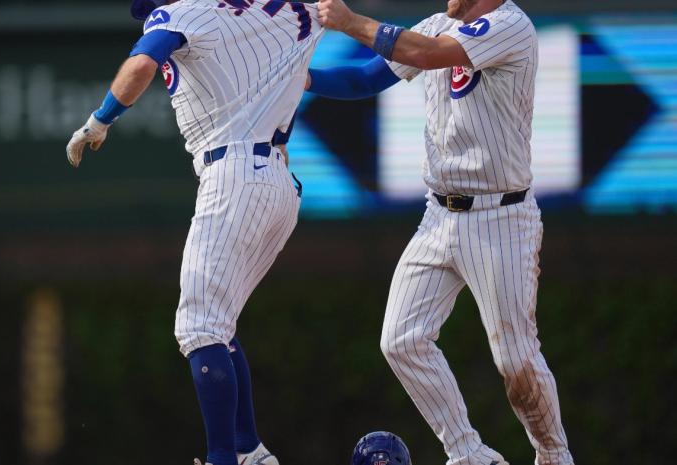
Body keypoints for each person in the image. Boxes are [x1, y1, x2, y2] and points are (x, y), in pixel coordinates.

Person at [309, 1, 575, 464]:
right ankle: (469, 454)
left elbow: (431, 54)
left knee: (516, 359)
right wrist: (303, 81)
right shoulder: (437, 25)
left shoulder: (510, 25)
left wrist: (350, 21)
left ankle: (554, 456)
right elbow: (366, 78)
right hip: (439, 214)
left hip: (501, 218)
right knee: (401, 340)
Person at [65, 1, 325, 464]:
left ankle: (225, 456)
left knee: (198, 326)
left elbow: (142, 62)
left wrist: (100, 119)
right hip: (280, 183)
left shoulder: (179, 12)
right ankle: (249, 452)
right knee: (218, 327)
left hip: (235, 172)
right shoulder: (278, 11)